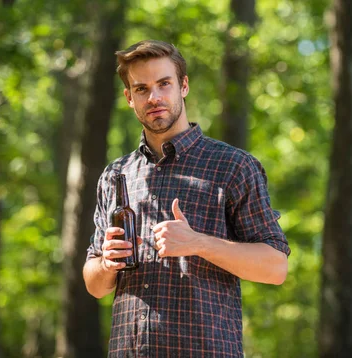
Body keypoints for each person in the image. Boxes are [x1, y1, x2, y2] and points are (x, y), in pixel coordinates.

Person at [83, 39, 290, 357]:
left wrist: (199, 243)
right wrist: (107, 263)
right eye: (141, 89)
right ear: (129, 98)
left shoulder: (233, 166)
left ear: (183, 86)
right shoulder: (116, 175)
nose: (154, 97)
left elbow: (275, 268)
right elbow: (95, 286)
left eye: (164, 84)